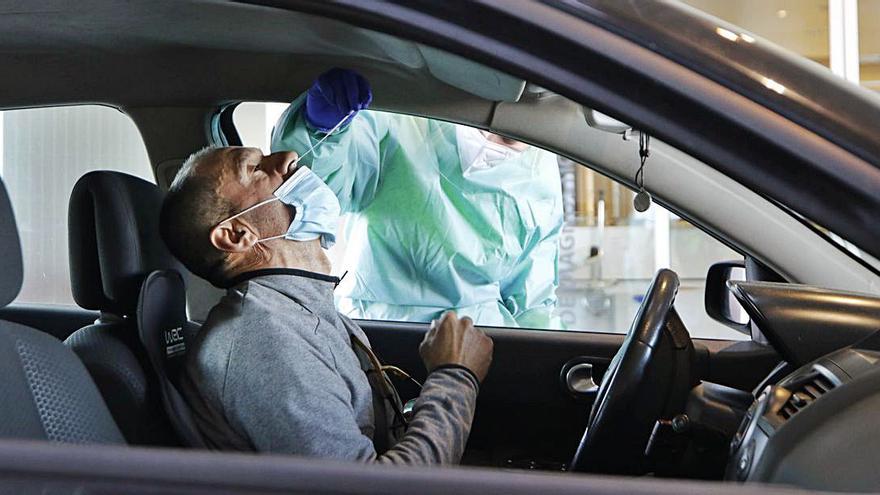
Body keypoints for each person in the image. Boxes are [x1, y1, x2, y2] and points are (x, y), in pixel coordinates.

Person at [159, 145, 494, 463]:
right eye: (256, 168)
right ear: (236, 235)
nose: (288, 158)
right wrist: (454, 375)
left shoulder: (300, 310)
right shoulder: (262, 341)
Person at [271, 68, 564, 328]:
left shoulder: (540, 173)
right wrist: (321, 131)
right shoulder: (407, 122)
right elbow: (321, 193)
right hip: (376, 331)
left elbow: (532, 301)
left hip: (473, 342)